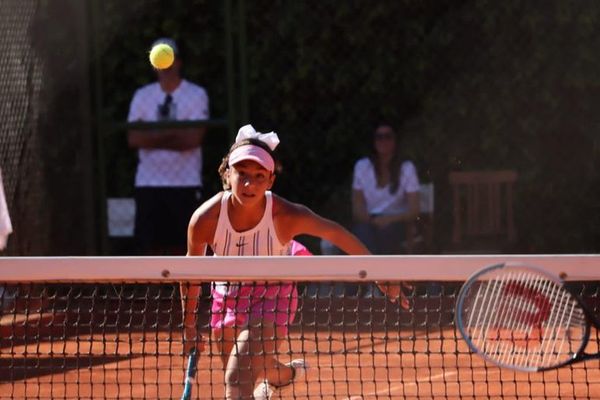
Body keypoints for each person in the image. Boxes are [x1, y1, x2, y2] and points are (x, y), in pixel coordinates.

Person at [181, 125, 407, 400]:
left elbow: (335, 232)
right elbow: (190, 274)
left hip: (272, 294)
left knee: (236, 380)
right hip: (226, 295)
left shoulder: (285, 215)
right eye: (242, 174)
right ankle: (286, 377)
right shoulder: (205, 219)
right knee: (251, 367)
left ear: (270, 181)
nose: (250, 184)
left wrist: (380, 275)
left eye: (258, 176)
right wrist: (189, 326)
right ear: (228, 173)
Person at [127, 37, 209, 255]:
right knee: (147, 248)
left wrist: (152, 135)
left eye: (169, 59)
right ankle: (149, 289)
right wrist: (174, 134)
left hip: (185, 183)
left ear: (178, 62)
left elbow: (192, 141)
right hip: (148, 183)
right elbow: (134, 138)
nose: (165, 66)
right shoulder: (142, 96)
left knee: (187, 244)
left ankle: (187, 287)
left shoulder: (196, 94)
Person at [352, 123, 420, 296]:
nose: (383, 141)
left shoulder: (407, 168)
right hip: (370, 221)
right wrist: (372, 220)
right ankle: (375, 284)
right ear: (374, 142)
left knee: (386, 234)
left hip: (397, 221)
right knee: (363, 234)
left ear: (395, 141)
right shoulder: (362, 166)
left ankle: (380, 285)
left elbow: (414, 210)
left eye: (388, 136)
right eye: (379, 137)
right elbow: (358, 208)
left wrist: (389, 219)